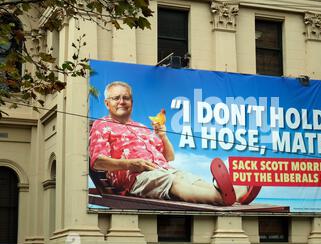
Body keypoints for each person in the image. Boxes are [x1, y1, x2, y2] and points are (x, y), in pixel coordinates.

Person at [89, 81, 249, 206]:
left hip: (164, 170)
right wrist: (131, 164)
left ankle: (233, 194)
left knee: (191, 179)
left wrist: (163, 137)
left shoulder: (141, 127)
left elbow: (169, 157)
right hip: (136, 179)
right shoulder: (102, 125)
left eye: (126, 98)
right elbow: (97, 162)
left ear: (132, 101)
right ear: (106, 103)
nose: (122, 101)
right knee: (172, 181)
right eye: (116, 98)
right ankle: (228, 197)